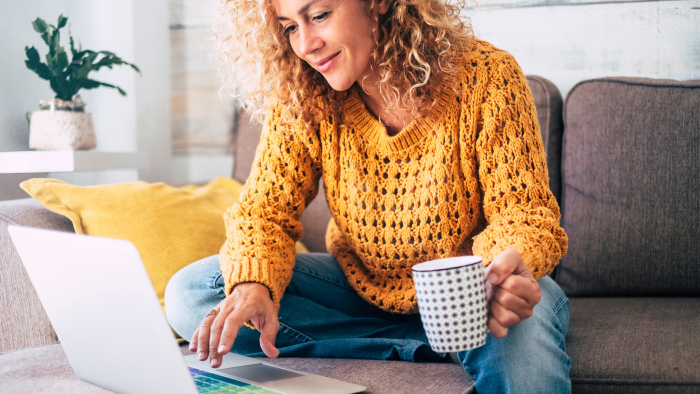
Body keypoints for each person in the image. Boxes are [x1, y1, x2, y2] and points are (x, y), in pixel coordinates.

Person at [165, 0, 572, 392]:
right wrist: (253, 285)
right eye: (290, 27)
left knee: (521, 324)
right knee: (193, 292)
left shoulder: (487, 76)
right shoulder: (306, 93)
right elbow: (263, 212)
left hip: (469, 293)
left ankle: (455, 339)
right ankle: (426, 346)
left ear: (377, 2)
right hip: (361, 291)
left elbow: (523, 214)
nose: (306, 44)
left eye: (319, 15)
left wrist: (498, 275)